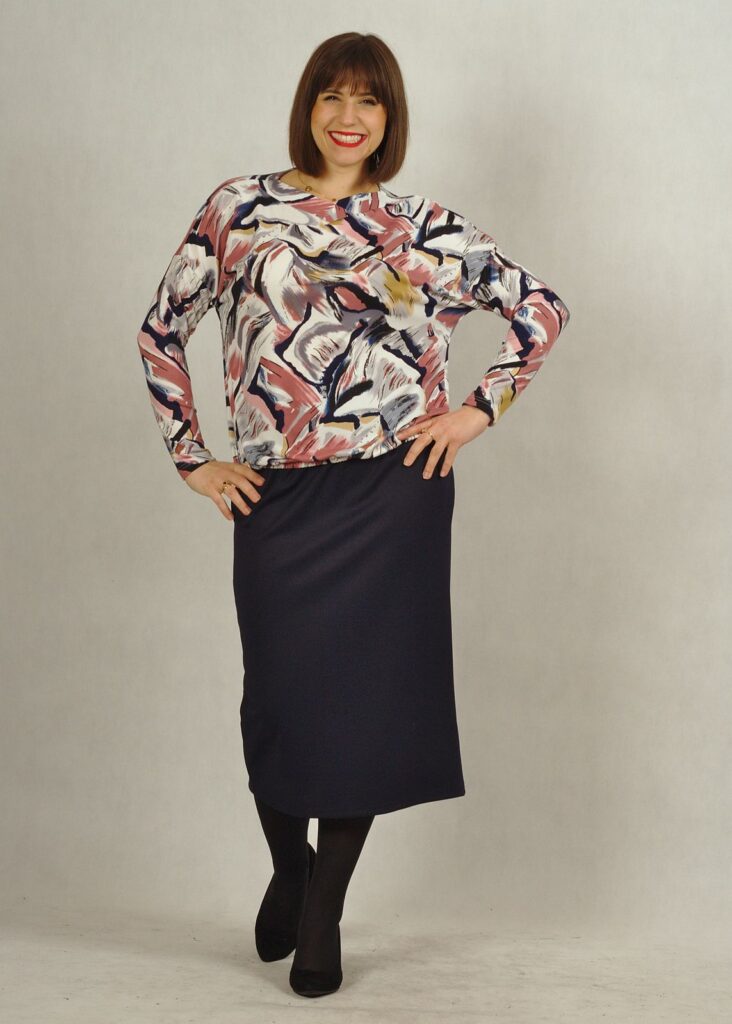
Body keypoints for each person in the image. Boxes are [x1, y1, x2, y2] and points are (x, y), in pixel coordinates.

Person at [136, 31, 571, 999]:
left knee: (363, 709)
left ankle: (324, 909)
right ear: (308, 106)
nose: (348, 116)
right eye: (332, 96)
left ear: (389, 117)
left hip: (392, 495)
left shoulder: (422, 228)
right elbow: (162, 328)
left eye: (368, 100)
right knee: (278, 699)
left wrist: (476, 409)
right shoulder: (239, 208)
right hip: (278, 491)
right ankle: (289, 868)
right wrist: (192, 457)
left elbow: (541, 308)